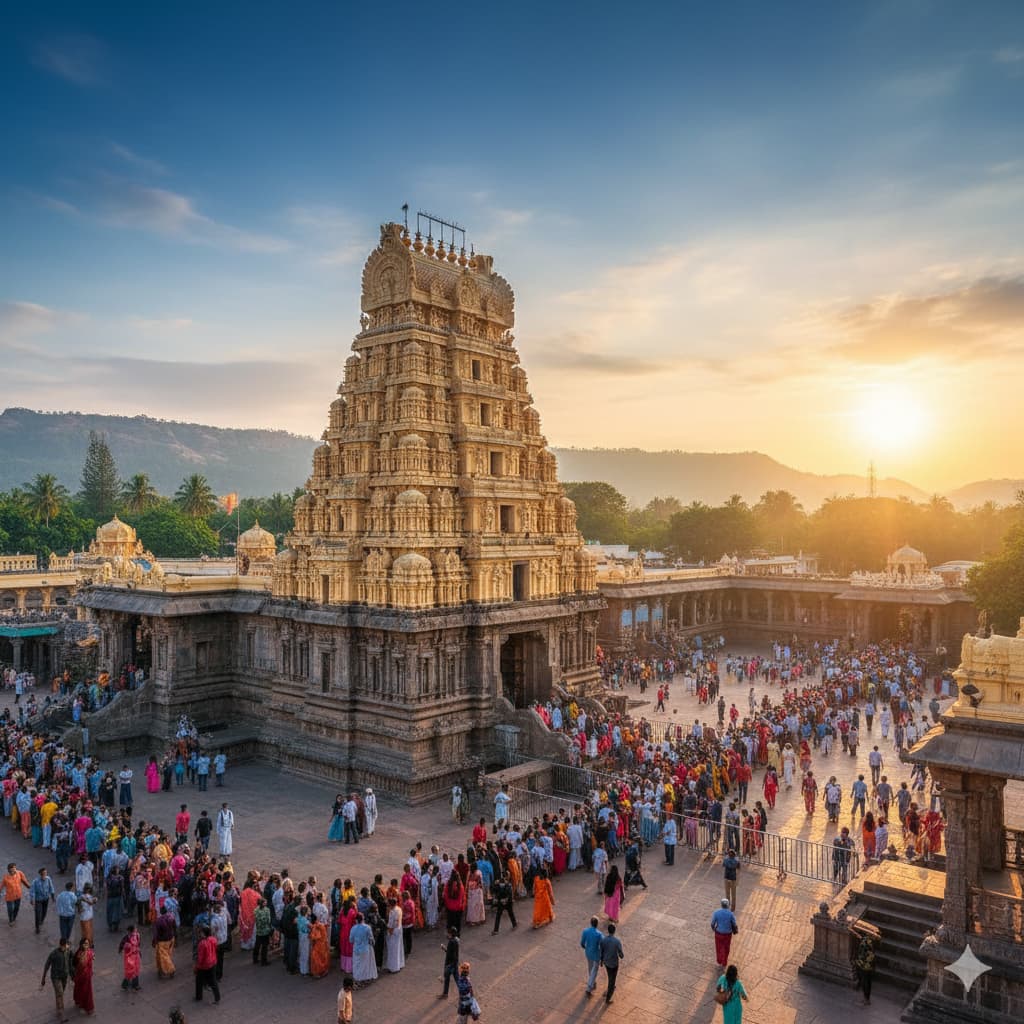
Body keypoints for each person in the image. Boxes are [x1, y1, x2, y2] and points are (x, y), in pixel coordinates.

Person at [41, 936, 73, 1022]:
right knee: (60, 993)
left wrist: (72, 975)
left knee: (60, 993)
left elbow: (70, 963)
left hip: (64, 977)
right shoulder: (54, 954)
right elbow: (47, 965)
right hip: (56, 977)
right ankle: (62, 1013)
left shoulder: (68, 952)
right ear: (61, 945)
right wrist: (43, 979)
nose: (67, 946)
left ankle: (58, 1008)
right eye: (66, 944)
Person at [599, 922, 624, 1005]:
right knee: (612, 979)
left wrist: (601, 961)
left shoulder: (603, 940)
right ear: (614, 931)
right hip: (614, 963)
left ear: (608, 931)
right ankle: (608, 998)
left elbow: (601, 951)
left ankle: (611, 986)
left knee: (610, 976)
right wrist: (621, 954)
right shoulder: (617, 941)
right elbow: (621, 954)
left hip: (606, 962)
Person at [194, 926, 221, 1003]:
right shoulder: (213, 939)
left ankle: (199, 996)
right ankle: (217, 998)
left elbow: (200, 958)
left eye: (201, 932)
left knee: (199, 980)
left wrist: (197, 966)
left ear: (204, 933)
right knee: (213, 981)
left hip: (204, 965)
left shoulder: (202, 943)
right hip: (213, 962)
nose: (200, 934)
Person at [351, 912, 377, 985]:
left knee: (356, 964)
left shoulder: (353, 928)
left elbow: (351, 940)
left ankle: (357, 979)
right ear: (363, 919)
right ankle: (364, 979)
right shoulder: (367, 927)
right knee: (364, 965)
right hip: (365, 949)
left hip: (356, 949)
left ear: (356, 920)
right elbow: (371, 938)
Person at [712, 898, 738, 968]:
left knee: (718, 947)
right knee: (726, 948)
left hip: (718, 933)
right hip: (727, 935)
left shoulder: (716, 912)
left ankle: (719, 960)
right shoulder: (731, 914)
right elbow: (734, 924)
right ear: (728, 905)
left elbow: (712, 923)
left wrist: (714, 929)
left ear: (721, 905)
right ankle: (724, 962)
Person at [1, 861, 30, 926]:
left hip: (18, 895)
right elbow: (1, 886)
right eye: (11, 870)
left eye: (14, 869)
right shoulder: (6, 877)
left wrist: (29, 887)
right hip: (9, 896)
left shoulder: (20, 873)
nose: (13, 871)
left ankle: (14, 918)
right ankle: (11, 920)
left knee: (16, 908)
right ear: (8, 870)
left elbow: (24, 881)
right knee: (10, 909)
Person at [581, 915, 603, 996]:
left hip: (588, 952)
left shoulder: (585, 931)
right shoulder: (599, 934)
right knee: (594, 970)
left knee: (590, 968)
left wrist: (586, 947)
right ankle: (589, 987)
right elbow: (602, 944)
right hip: (596, 954)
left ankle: (592, 982)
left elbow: (582, 943)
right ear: (597, 924)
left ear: (591, 923)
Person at [72, 937, 95, 1016]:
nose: (87, 945)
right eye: (85, 944)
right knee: (83, 990)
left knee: (86, 991)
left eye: (88, 944)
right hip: (81, 975)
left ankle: (86, 1006)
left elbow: (92, 957)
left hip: (87, 975)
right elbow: (80, 964)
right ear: (81, 945)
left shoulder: (89, 952)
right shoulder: (79, 953)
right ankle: (84, 1005)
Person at [30, 866, 55, 934]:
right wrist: (32, 899)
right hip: (38, 900)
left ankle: (41, 921)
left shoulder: (48, 879)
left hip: (46, 899)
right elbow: (32, 891)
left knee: (44, 912)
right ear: (40, 874)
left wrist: (53, 896)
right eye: (43, 873)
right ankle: (37, 927)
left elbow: (51, 887)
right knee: (38, 913)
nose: (44, 875)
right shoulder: (35, 881)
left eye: (45, 873)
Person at [854, 932, 876, 1005]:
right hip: (870, 964)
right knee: (868, 981)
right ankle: (867, 998)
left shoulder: (865, 942)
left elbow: (862, 952)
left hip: (864, 964)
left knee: (865, 981)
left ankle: (866, 999)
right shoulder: (870, 941)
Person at [119, 923, 142, 991]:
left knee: (135, 970)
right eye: (135, 929)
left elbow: (137, 945)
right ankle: (129, 985)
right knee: (131, 971)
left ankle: (133, 985)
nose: (136, 930)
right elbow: (122, 945)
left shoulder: (133, 936)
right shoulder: (129, 937)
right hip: (130, 957)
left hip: (134, 956)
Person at [439, 925, 460, 998]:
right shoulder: (456, 940)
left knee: (447, 979)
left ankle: (445, 994)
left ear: (450, 934)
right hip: (455, 963)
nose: (446, 934)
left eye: (448, 933)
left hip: (450, 964)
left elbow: (450, 954)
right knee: (457, 979)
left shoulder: (451, 942)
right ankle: (463, 992)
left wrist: (444, 948)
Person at [385, 897, 404, 972]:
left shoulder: (392, 912)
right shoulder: (399, 909)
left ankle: (393, 967)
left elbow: (390, 924)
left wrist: (388, 933)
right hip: (399, 929)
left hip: (393, 931)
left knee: (392, 950)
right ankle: (400, 964)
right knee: (399, 947)